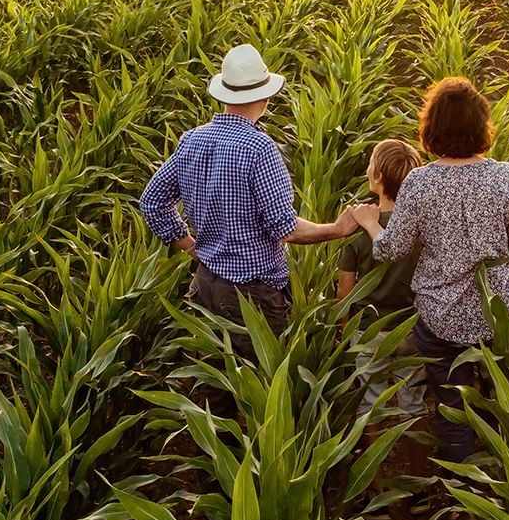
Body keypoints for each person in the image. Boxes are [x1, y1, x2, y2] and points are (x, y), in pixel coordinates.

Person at [350, 77, 509, 465]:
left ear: (431, 129)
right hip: (501, 314)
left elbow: (391, 249)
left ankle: (463, 508)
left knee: (452, 410)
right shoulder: (506, 176)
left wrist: (370, 225)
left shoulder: (419, 182)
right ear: (482, 126)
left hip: (441, 319)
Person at [140, 43, 357, 356]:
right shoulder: (260, 150)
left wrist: (189, 245)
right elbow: (286, 228)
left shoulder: (192, 139)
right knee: (260, 391)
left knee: (213, 388)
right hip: (252, 296)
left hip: (205, 284)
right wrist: (336, 229)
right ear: (264, 98)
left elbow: (152, 201)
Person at [338, 139, 427, 418]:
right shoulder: (422, 227)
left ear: (377, 178)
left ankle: (374, 461)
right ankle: (418, 462)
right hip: (412, 326)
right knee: (413, 401)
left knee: (369, 403)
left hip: (369, 330)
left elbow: (345, 292)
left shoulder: (357, 230)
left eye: (370, 165)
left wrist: (344, 329)